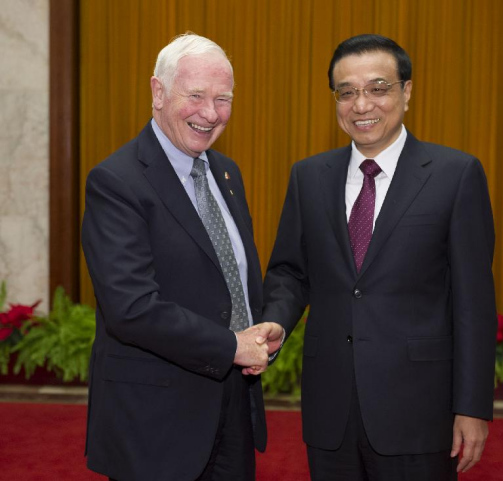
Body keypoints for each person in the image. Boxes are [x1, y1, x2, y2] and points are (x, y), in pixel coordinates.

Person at [262, 34, 497, 480]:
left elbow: (474, 303)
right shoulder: (308, 177)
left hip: (420, 412)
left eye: (378, 88)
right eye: (346, 92)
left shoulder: (455, 175)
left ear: (406, 92)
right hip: (330, 410)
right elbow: (290, 272)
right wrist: (275, 320)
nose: (361, 104)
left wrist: (471, 406)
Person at [82, 33, 284, 481]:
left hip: (233, 410)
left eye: (222, 98)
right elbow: (130, 309)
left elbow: (228, 277)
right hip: (156, 423)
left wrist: (260, 323)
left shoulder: (227, 172)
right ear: (158, 92)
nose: (210, 114)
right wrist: (231, 345)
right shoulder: (117, 182)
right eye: (195, 95)